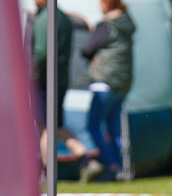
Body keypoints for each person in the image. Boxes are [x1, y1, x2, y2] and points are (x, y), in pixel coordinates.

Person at [27, 0, 87, 169]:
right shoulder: (63, 17)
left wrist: (29, 75)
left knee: (45, 126)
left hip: (45, 81)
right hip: (60, 79)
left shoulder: (45, 17)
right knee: (57, 126)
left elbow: (41, 52)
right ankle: (84, 157)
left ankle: (47, 170)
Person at [80, 0, 135, 183]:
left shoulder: (107, 27)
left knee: (92, 126)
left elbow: (86, 49)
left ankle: (110, 165)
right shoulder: (126, 24)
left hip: (104, 82)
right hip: (122, 83)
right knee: (114, 130)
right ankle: (120, 168)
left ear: (106, 5)